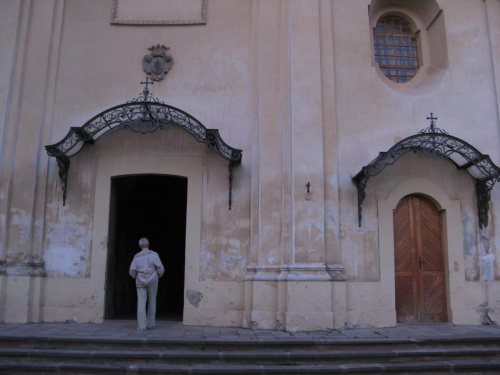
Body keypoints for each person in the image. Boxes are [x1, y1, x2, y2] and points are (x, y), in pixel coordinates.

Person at [129, 237, 165, 331]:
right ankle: (150, 324)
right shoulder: (154, 255)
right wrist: (157, 276)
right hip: (153, 280)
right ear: (148, 245)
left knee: (141, 303)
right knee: (152, 302)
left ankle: (142, 325)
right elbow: (160, 268)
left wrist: (137, 277)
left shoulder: (137, 256)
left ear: (140, 246)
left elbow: (132, 270)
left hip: (140, 281)